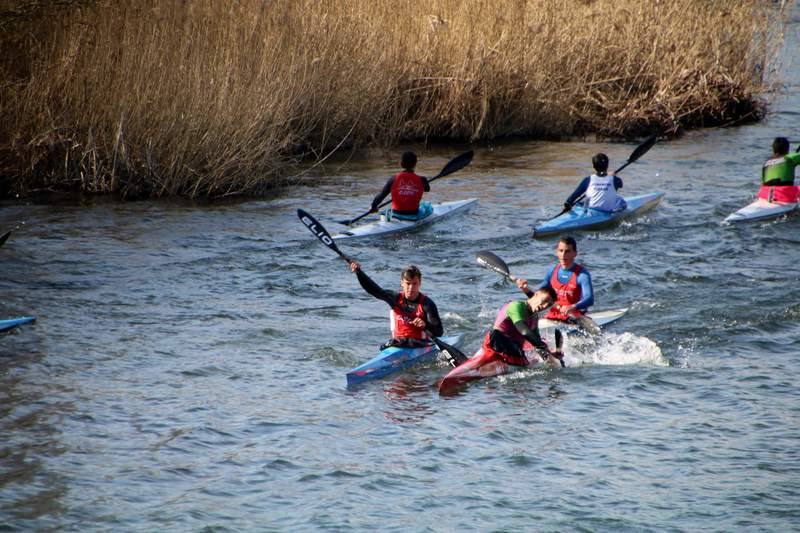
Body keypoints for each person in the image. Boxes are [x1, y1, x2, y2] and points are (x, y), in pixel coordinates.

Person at [349, 261, 442, 348]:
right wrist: (359, 273)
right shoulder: (395, 299)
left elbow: (439, 332)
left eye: (414, 283)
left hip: (420, 345)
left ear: (420, 283)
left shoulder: (427, 304)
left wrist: (425, 324)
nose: (411, 288)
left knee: (399, 342)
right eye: (408, 283)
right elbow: (374, 290)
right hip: (397, 345)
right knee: (395, 342)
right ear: (402, 283)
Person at [479, 287, 564, 368]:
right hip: (497, 344)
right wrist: (543, 346)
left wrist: (552, 359)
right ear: (536, 294)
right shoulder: (516, 306)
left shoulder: (534, 318)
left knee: (531, 362)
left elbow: (537, 344)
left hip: (514, 351)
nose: (544, 306)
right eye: (544, 301)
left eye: (548, 305)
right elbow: (525, 332)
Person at [515, 236, 594, 323]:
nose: (563, 255)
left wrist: (572, 306)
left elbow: (589, 299)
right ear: (557, 252)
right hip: (552, 316)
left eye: (567, 251)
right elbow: (538, 296)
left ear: (575, 253)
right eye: (561, 251)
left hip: (572, 316)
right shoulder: (552, 272)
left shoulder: (582, 275)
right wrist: (524, 288)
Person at [369, 151, 432, 220]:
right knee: (427, 206)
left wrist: (373, 206)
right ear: (415, 164)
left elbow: (381, 195)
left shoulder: (393, 179)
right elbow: (427, 189)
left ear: (401, 164)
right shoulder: (422, 179)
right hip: (412, 213)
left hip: (396, 213)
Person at [759, 137, 800, 203]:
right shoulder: (791, 157)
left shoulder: (766, 162)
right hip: (784, 194)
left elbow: (764, 183)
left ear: (773, 149)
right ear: (787, 148)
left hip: (764, 194)